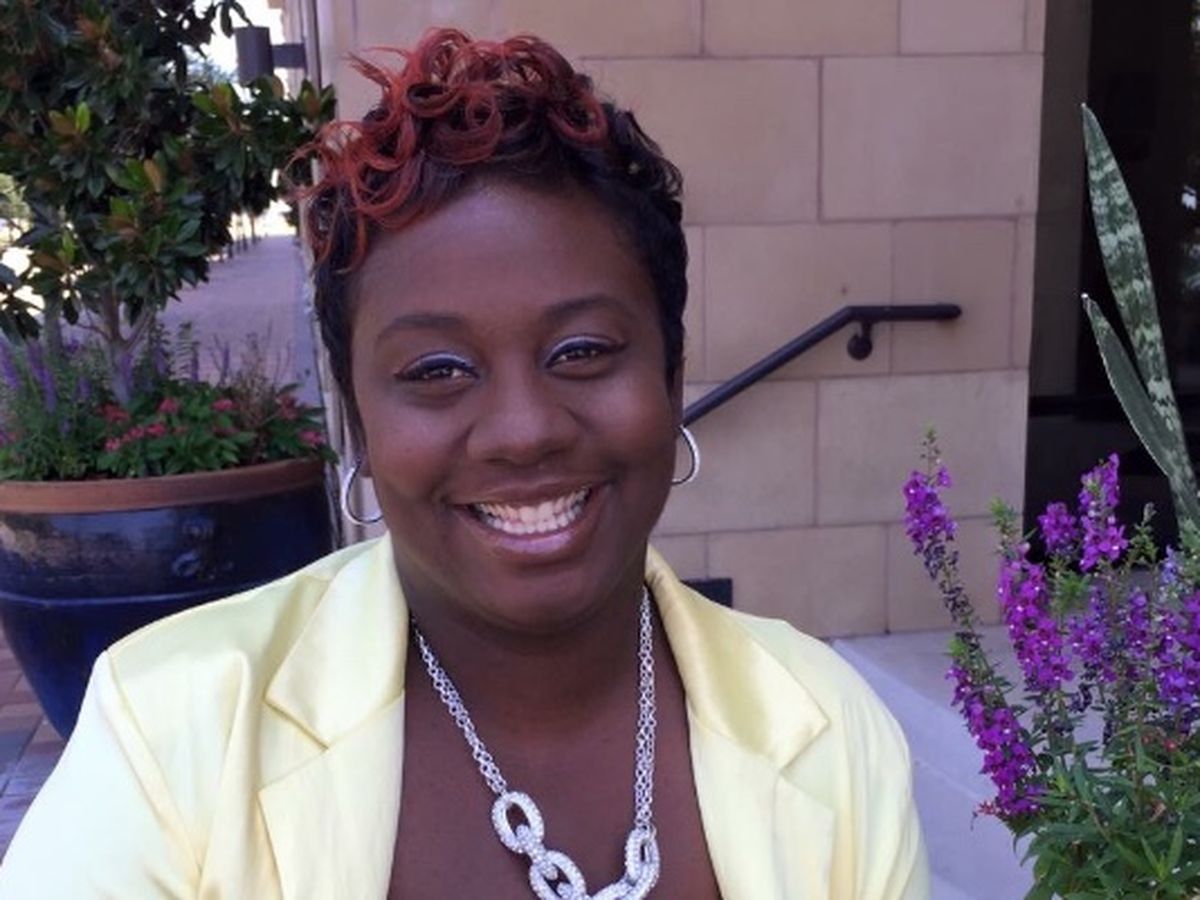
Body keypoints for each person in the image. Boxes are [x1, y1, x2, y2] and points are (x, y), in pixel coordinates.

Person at [0, 29, 928, 899]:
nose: (523, 431)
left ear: (671, 379)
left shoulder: (831, 732)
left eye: (582, 351)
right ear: (359, 421)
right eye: (437, 370)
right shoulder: (171, 735)